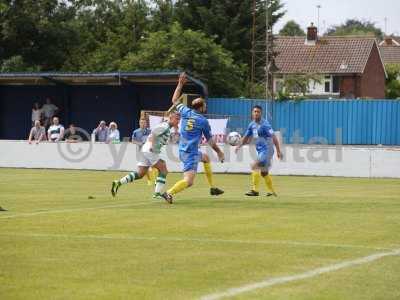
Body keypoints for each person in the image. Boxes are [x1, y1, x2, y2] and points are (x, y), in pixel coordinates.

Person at [164, 73, 225, 203]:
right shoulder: (203, 121)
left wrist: (180, 84)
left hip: (184, 149)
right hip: (190, 153)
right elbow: (210, 141)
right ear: (202, 107)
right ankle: (169, 193)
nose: (206, 107)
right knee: (189, 181)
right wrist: (219, 152)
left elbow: (174, 100)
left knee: (206, 158)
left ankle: (212, 188)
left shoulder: (186, 111)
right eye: (205, 105)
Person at [111, 112, 181, 202]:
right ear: (171, 118)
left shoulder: (167, 127)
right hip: (150, 149)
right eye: (176, 119)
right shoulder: (165, 126)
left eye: (179, 119)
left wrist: (175, 130)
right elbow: (153, 134)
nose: (178, 121)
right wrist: (152, 146)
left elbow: (168, 139)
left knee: (140, 174)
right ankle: (157, 193)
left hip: (146, 149)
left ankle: (118, 182)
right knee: (163, 169)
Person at [235, 105, 282, 196]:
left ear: (261, 113)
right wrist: (239, 146)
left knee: (255, 166)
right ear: (252, 113)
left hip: (267, 150)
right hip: (260, 151)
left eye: (258, 112)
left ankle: (255, 190)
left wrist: (278, 151)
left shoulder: (265, 124)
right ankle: (272, 192)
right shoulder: (251, 125)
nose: (256, 113)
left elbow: (274, 137)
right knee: (264, 172)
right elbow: (246, 138)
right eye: (255, 111)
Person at [132, 118, 157, 186]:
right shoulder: (136, 132)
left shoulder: (150, 131)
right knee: (145, 167)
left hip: (150, 151)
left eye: (144, 123)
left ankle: (155, 181)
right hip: (141, 151)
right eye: (141, 123)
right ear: (139, 123)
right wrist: (140, 143)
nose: (143, 124)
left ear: (146, 124)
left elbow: (154, 138)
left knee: (154, 166)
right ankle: (150, 180)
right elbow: (133, 141)